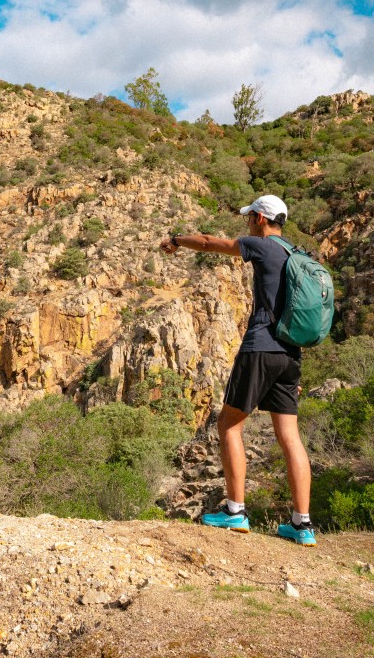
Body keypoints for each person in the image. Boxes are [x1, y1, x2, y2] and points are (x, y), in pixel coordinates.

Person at [159, 195, 316, 546]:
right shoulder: (296, 253)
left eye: (249, 218)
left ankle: (234, 512)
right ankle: (302, 524)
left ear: (260, 218)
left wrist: (177, 240)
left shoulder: (261, 246)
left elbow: (210, 243)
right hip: (291, 354)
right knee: (290, 436)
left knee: (229, 424)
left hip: (261, 347)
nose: (246, 224)